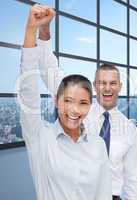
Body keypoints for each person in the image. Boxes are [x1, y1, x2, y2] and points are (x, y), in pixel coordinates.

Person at [35, 5, 137, 200]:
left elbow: (132, 180)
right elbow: (48, 69)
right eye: (102, 83)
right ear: (94, 85)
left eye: (112, 83)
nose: (107, 88)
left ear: (120, 86)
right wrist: (44, 31)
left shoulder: (130, 130)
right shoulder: (77, 112)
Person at [19, 4, 111, 200]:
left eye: (83, 103)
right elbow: (31, 89)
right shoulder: (40, 137)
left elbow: (103, 194)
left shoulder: (98, 144)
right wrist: (35, 30)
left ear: (90, 103)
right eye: (68, 100)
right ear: (55, 100)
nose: (74, 110)